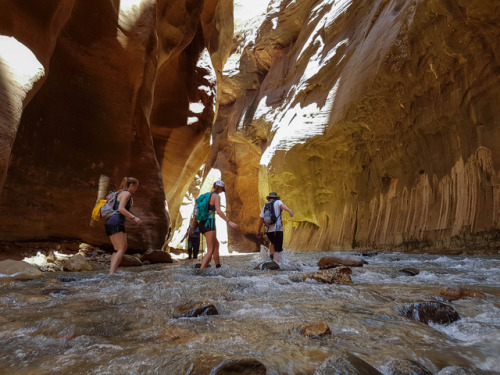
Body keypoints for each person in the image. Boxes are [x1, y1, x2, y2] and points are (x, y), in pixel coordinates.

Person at [196, 180, 238, 269]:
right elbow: (218, 211)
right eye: (222, 189)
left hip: (202, 224)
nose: (222, 191)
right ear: (218, 187)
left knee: (216, 244)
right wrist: (229, 222)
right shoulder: (216, 196)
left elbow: (195, 211)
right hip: (209, 224)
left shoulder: (204, 196)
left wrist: (192, 226)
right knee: (210, 250)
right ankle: (201, 270)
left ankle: (218, 266)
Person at [105, 177, 142, 274]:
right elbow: (121, 209)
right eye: (136, 186)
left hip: (110, 221)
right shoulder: (127, 194)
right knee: (122, 248)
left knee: (117, 249)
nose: (136, 189)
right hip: (117, 221)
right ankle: (112, 273)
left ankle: (111, 272)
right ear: (131, 185)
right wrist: (134, 218)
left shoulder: (120, 193)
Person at [256, 192, 294, 262]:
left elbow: (261, 219)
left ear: (269, 199)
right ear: (276, 198)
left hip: (268, 230)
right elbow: (282, 206)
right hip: (277, 229)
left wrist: (258, 231)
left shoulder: (265, 206)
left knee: (273, 243)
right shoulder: (278, 202)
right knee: (278, 249)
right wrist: (289, 210)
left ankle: (270, 260)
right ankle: (276, 263)